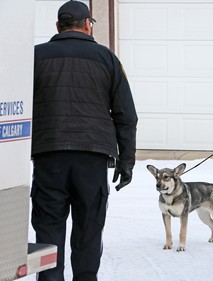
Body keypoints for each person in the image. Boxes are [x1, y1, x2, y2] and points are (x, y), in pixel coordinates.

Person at [31, 1, 137, 280]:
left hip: (48, 156)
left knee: (49, 228)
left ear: (58, 26)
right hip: (92, 158)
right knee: (89, 228)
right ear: (88, 24)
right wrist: (126, 161)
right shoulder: (107, 58)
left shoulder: (34, 57)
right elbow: (126, 115)